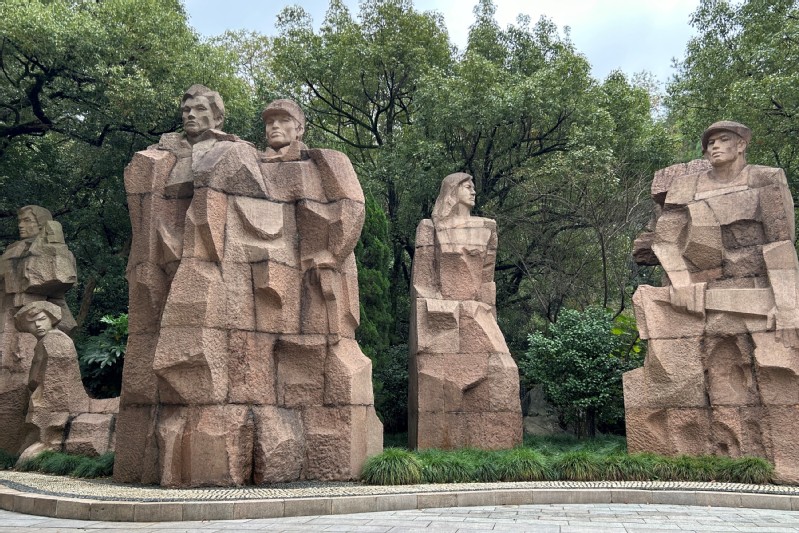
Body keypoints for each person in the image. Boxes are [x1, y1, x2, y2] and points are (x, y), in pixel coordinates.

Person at [625, 120, 799, 482]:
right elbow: (665, 241)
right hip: (698, 290)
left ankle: (783, 459)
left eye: (723, 140)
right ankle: (686, 446)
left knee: (777, 363)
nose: (715, 147)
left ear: (741, 145)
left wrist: (787, 304)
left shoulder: (766, 179)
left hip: (757, 290)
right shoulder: (688, 186)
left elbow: (780, 244)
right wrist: (682, 282)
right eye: (710, 142)